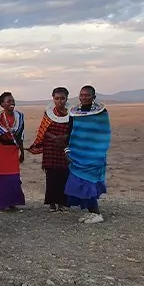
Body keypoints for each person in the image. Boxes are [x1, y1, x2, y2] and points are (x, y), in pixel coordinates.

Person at [65, 85, 111, 224]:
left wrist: (98, 151)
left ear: (93, 97)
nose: (84, 97)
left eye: (87, 95)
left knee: (89, 183)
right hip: (78, 154)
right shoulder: (74, 112)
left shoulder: (100, 112)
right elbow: (70, 130)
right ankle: (90, 211)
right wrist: (67, 149)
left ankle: (96, 213)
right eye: (81, 95)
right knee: (77, 183)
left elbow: (103, 133)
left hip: (94, 155)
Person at [29, 87, 71, 212]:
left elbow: (73, 129)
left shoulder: (72, 113)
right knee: (52, 176)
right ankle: (52, 202)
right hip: (51, 148)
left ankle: (62, 202)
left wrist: (64, 137)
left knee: (64, 174)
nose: (60, 101)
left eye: (62, 98)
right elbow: (43, 130)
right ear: (53, 99)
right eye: (57, 98)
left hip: (65, 147)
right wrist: (55, 137)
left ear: (66, 98)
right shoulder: (48, 113)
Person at [0, 92, 26, 212]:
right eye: (8, 101)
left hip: (13, 151)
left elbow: (20, 136)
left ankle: (13, 203)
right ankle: (1, 205)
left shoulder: (19, 117)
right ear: (2, 104)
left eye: (13, 100)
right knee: (1, 179)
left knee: (14, 178)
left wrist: (22, 152)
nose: (12, 103)